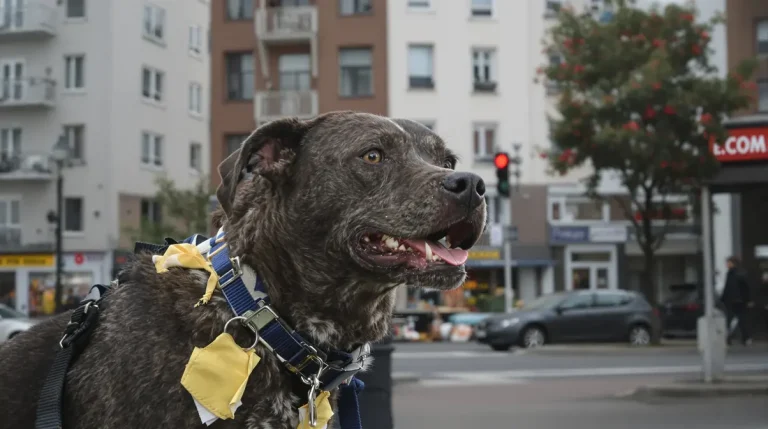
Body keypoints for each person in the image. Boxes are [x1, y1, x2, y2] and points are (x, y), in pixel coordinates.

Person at [721, 256, 753, 346]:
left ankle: (744, 338)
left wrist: (748, 300)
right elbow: (727, 288)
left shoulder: (738, 274)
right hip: (734, 301)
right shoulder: (731, 273)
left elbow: (745, 288)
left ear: (733, 263)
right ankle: (736, 338)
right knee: (735, 320)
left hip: (738, 301)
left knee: (738, 320)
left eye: (728, 263)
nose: (727, 265)